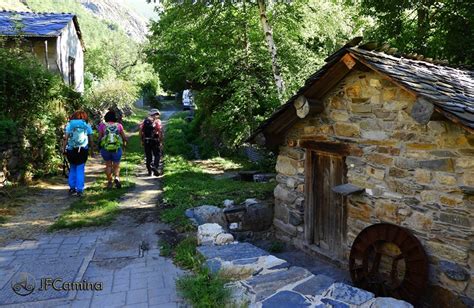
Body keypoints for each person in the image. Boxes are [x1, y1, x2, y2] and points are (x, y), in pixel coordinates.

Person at [63, 111, 94, 197]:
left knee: (72, 167)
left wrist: (63, 149)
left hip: (71, 149)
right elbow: (91, 139)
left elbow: (66, 138)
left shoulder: (70, 125)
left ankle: (72, 187)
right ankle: (80, 189)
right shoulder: (86, 125)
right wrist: (92, 150)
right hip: (83, 149)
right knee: (80, 169)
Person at [98, 110, 128, 189]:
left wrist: (99, 145)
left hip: (105, 148)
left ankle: (109, 182)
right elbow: (124, 137)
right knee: (116, 165)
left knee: (108, 165)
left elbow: (100, 138)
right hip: (116, 148)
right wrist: (125, 143)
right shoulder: (119, 125)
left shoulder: (102, 125)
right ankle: (117, 177)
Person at [140, 109, 163, 176]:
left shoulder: (144, 121)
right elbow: (160, 131)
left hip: (146, 140)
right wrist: (161, 141)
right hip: (155, 140)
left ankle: (149, 172)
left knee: (148, 156)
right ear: (156, 115)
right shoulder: (158, 121)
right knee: (157, 155)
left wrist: (141, 140)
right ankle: (155, 167)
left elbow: (140, 131)